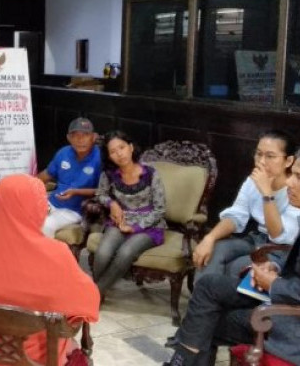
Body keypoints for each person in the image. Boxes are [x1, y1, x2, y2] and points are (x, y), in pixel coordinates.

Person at [0, 174, 100, 365]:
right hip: (33, 356)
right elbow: (86, 301)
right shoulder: (56, 254)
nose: (45, 207)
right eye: (42, 202)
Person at [164, 149, 300, 366]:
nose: (290, 182)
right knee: (209, 285)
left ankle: (181, 361)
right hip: (283, 292)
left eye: (299, 177)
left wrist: (274, 284)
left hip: (291, 321)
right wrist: (274, 267)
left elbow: (280, 238)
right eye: (293, 174)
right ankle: (182, 361)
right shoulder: (255, 182)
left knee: (207, 320)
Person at [194, 130, 299, 279]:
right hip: (257, 239)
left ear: (288, 161)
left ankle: (216, 292)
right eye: (258, 154)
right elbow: (236, 215)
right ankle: (202, 293)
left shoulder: (295, 189)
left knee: (237, 267)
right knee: (213, 252)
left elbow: (278, 236)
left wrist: (267, 193)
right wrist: (209, 238)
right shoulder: (253, 180)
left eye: (270, 156)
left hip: (282, 249)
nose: (261, 161)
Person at [92, 131, 166, 294]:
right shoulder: (108, 175)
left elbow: (160, 209)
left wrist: (135, 228)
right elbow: (100, 194)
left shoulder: (151, 173)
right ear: (109, 157)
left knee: (125, 252)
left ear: (131, 147)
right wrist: (112, 204)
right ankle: (95, 293)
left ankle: (93, 294)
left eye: (122, 147)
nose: (119, 154)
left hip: (149, 225)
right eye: (113, 151)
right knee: (103, 253)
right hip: (120, 220)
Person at [38, 117, 101, 237]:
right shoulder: (63, 152)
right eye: (75, 135)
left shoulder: (100, 158)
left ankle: (48, 250)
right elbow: (45, 175)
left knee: (46, 225)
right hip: (52, 202)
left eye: (85, 135)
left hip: (75, 210)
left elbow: (104, 191)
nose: (80, 140)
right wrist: (26, 186)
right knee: (25, 214)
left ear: (93, 137)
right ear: (69, 138)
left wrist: (76, 192)